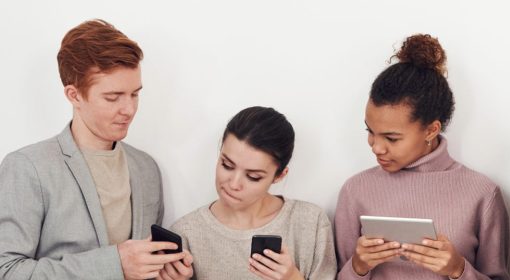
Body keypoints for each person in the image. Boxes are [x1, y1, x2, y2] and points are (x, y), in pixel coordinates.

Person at [0, 19, 193, 280]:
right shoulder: (28, 167)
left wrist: (166, 273)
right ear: (74, 95)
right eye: (113, 97)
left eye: (135, 94)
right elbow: (6, 270)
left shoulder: (146, 168)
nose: (129, 109)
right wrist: (115, 264)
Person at [334, 34, 510, 280]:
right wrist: (358, 267)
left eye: (391, 138)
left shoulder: (481, 193)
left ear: (431, 130)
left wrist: (458, 270)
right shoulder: (356, 190)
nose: (376, 147)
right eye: (370, 132)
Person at [169, 106, 336, 280]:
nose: (234, 184)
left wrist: (293, 278)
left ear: (279, 176)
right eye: (227, 165)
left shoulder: (310, 223)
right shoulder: (186, 233)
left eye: (253, 177)